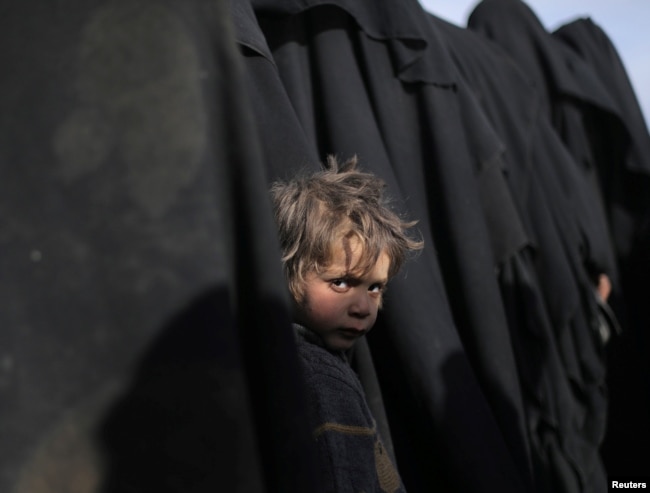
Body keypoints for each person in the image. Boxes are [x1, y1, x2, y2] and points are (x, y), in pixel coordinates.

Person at [270, 155, 423, 493]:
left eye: (375, 288)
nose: (363, 307)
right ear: (287, 271)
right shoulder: (321, 380)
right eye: (340, 282)